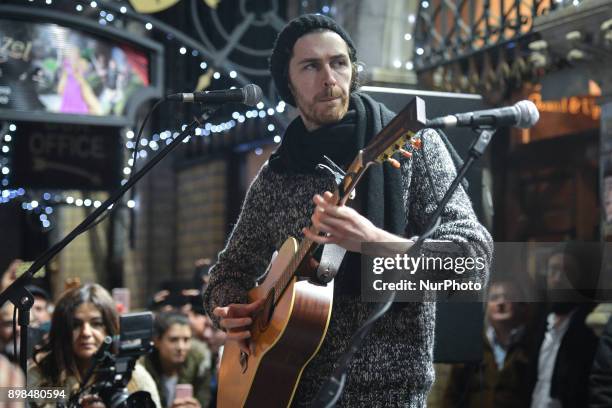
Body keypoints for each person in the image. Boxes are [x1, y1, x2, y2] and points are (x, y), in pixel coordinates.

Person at [203, 13, 492, 407]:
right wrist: (232, 312)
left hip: (390, 393)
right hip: (289, 390)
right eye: (310, 66)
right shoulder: (278, 173)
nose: (329, 78)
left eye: (339, 63)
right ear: (288, 83)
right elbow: (227, 273)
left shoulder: (414, 145)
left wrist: (372, 240)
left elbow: (472, 263)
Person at [28, 283, 162, 408]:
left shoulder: (135, 376)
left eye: (96, 323)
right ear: (62, 331)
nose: (86, 333)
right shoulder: (40, 377)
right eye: (76, 325)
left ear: (109, 328)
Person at [527, 244, 599, 408]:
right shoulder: (540, 322)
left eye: (568, 272)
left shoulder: (590, 326)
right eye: (553, 270)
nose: (558, 278)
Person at [443, 280, 531, 407]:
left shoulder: (531, 343)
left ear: (520, 304)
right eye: (494, 298)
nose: (501, 303)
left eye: (507, 297)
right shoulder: (471, 345)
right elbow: (452, 394)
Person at [142, 311, 212, 408]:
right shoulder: (143, 370)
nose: (181, 347)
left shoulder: (199, 364)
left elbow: (204, 400)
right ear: (157, 341)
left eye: (186, 340)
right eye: (173, 340)